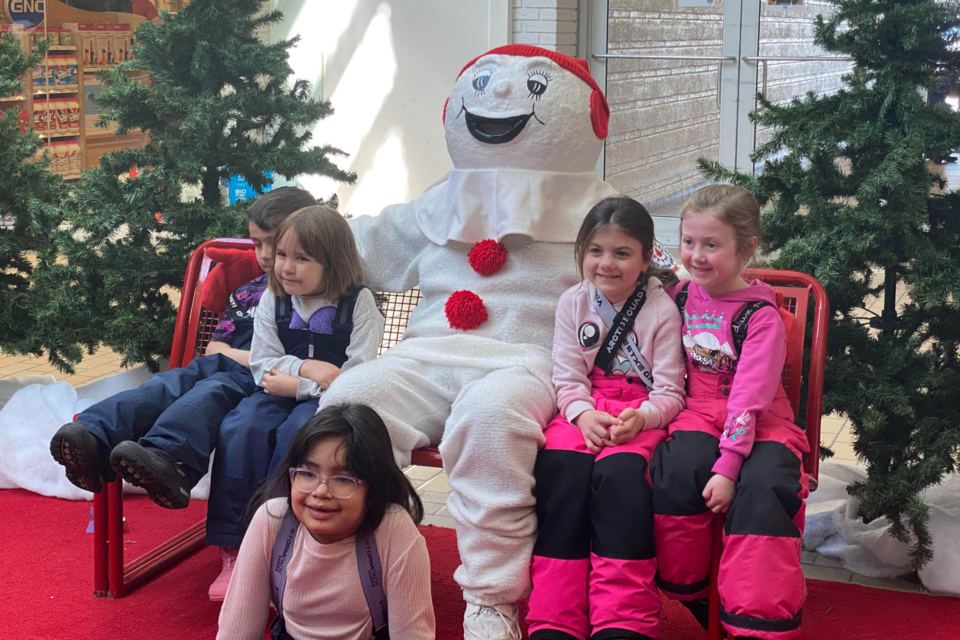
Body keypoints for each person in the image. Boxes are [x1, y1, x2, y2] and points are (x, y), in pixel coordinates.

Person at [50, 186, 318, 507]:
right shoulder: (249, 292)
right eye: (257, 242)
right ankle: (93, 438)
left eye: (273, 243)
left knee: (211, 390)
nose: (262, 254)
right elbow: (214, 348)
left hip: (263, 382)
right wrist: (244, 356)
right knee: (165, 385)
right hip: (226, 364)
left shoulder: (312, 297)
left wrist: (252, 360)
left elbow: (307, 361)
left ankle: (171, 461)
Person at [650, 185, 811, 640]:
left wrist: (728, 464)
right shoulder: (678, 297)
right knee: (676, 470)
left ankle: (756, 621)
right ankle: (697, 592)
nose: (697, 256)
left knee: (766, 486)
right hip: (698, 411)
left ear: (746, 248)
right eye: (689, 242)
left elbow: (750, 397)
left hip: (760, 421)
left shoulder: (761, 317)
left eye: (712, 245)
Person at [205, 205, 385, 601]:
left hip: (331, 401)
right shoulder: (273, 297)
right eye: (282, 255)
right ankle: (234, 549)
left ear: (333, 262)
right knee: (240, 428)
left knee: (297, 438)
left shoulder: (359, 303)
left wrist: (300, 388)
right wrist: (306, 370)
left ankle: (282, 543)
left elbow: (356, 375)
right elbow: (262, 362)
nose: (285, 267)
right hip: (275, 388)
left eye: (301, 258)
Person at [525, 197, 685, 640]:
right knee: (561, 473)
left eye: (621, 253)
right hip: (585, 413)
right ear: (581, 253)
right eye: (596, 251)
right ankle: (555, 618)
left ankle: (624, 620)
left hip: (639, 417)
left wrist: (644, 417)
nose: (607, 264)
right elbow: (567, 376)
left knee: (623, 480)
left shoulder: (662, 310)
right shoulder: (572, 303)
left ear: (646, 256)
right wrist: (581, 414)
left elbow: (671, 392)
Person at [217, 403, 435, 640]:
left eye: (343, 478)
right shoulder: (273, 520)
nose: (321, 492)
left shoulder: (392, 529)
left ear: (373, 489)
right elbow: (236, 631)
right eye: (308, 474)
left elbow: (413, 635)